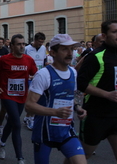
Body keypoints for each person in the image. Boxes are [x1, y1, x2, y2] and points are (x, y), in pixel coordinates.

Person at [77, 20, 117, 163]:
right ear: (104, 36)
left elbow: (115, 81)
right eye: (114, 32)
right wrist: (107, 94)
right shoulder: (95, 56)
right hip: (96, 115)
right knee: (81, 157)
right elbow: (81, 83)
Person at [26, 34, 87, 164]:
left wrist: (77, 107)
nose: (70, 53)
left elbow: (70, 97)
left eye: (72, 49)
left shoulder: (73, 72)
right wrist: (55, 112)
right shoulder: (43, 74)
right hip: (44, 132)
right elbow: (29, 105)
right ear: (52, 52)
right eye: (65, 49)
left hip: (65, 130)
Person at [0, 34, 37, 163]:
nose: (22, 46)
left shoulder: (28, 60)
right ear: (11, 46)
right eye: (18, 44)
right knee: (16, 124)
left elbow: (35, 74)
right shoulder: (4, 59)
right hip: (7, 95)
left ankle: (1, 142)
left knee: (11, 122)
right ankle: (20, 157)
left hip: (22, 96)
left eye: (23, 44)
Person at [24, 32, 47, 130]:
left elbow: (45, 61)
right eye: (39, 42)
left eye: (42, 42)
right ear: (35, 40)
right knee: (32, 99)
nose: (40, 44)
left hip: (41, 76)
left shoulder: (43, 48)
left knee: (38, 99)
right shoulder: (27, 49)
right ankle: (30, 118)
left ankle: (28, 117)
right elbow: (23, 61)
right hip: (30, 77)